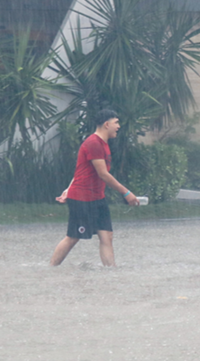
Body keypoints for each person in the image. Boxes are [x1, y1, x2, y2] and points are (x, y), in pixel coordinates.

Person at [50, 109, 139, 267]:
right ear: (106, 124)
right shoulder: (94, 143)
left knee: (107, 236)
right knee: (73, 237)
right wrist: (126, 193)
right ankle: (51, 268)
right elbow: (103, 174)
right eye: (116, 123)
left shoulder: (102, 144)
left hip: (97, 197)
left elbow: (82, 169)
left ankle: (111, 271)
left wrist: (67, 188)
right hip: (82, 198)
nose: (118, 126)